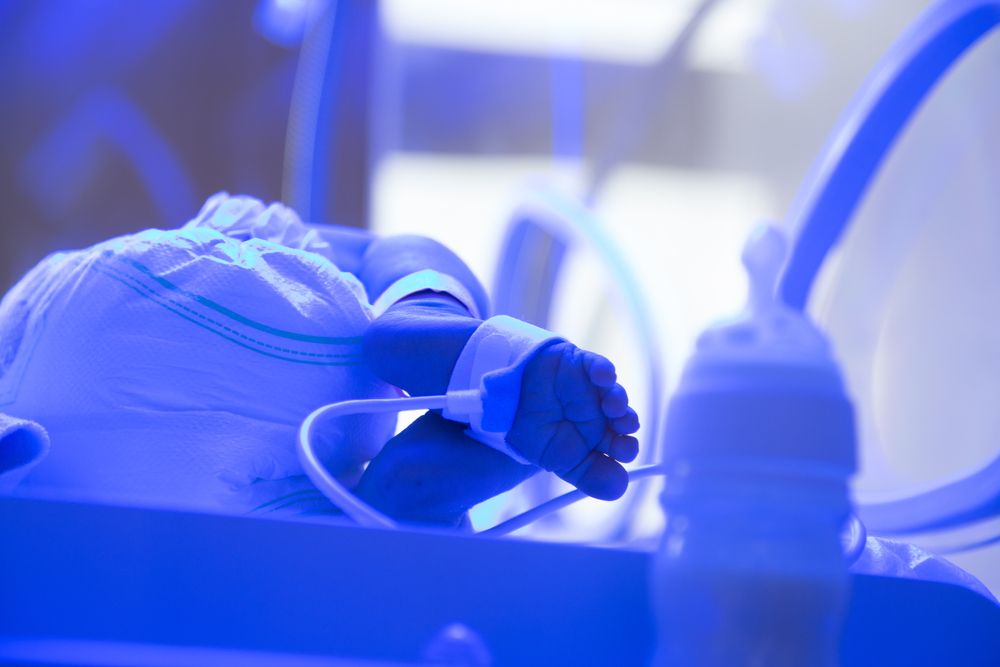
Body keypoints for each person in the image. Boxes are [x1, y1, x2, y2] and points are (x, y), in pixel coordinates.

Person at [0, 193, 639, 526]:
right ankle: (436, 321)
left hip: (96, 542)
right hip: (121, 323)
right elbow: (360, 246)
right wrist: (409, 267)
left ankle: (406, 510)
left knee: (349, 557)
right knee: (388, 257)